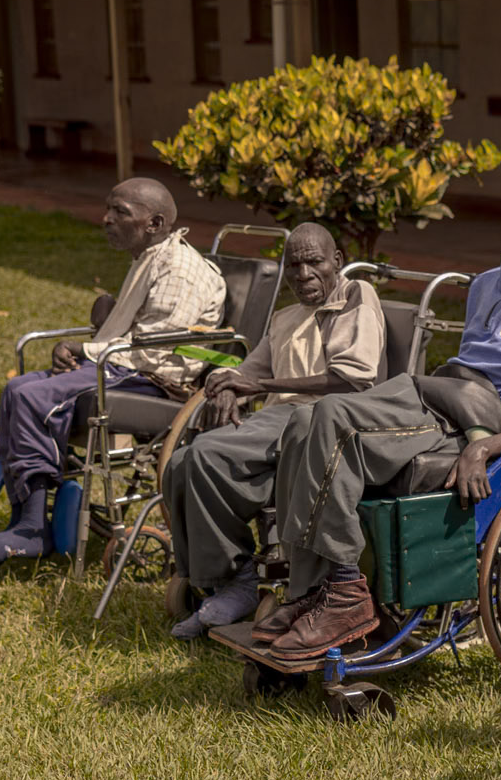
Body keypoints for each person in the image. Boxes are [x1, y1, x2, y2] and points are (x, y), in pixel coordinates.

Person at [255, 168, 501, 654]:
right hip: (437, 392)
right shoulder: (486, 284)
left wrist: (483, 448)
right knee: (304, 420)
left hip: (480, 417)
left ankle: (346, 588)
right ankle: (310, 590)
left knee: (331, 416)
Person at [0, 177, 224, 567]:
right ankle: (25, 516)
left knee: (32, 395)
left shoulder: (181, 270)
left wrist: (84, 348)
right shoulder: (151, 258)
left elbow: (154, 349)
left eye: (120, 212)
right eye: (108, 209)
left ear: (154, 223)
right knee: (17, 388)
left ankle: (33, 529)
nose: (106, 219)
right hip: (128, 366)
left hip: (156, 382)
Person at [161, 222, 381, 638]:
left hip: (322, 421)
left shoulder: (356, 297)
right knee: (182, 461)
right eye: (293, 265)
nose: (303, 274)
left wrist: (259, 386)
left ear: (337, 261)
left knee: (208, 455)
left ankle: (236, 582)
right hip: (275, 419)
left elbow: (351, 379)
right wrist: (227, 386)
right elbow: (249, 372)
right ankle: (225, 580)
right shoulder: (286, 317)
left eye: (314, 262)